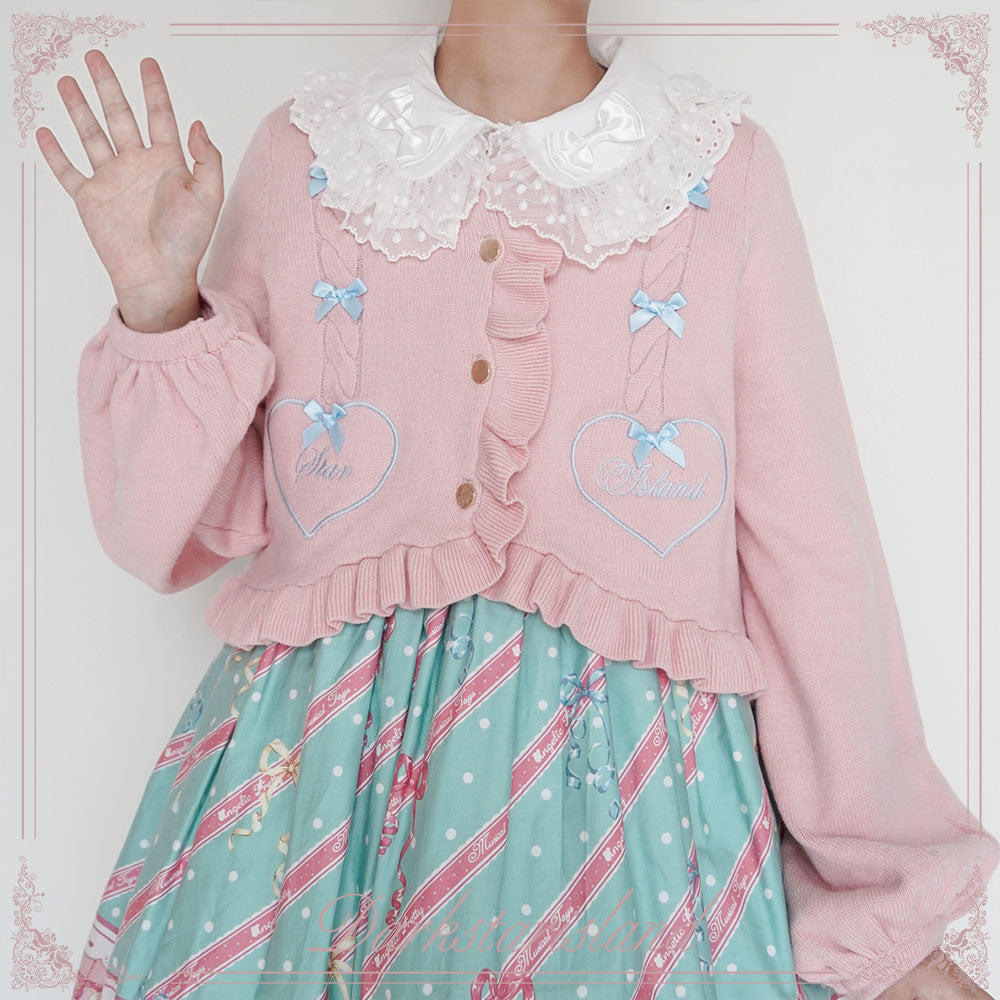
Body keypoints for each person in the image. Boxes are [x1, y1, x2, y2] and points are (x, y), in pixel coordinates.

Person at [39, 2, 998, 998]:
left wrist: (887, 919)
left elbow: (812, 549)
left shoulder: (719, 170)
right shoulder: (307, 154)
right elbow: (174, 531)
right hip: (322, 784)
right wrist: (158, 305)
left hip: (621, 798)